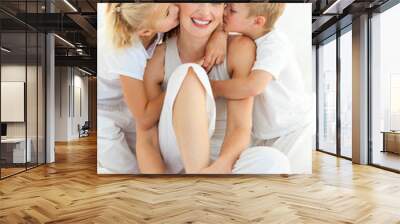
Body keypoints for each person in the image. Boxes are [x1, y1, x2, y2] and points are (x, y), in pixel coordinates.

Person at [144, 3, 291, 174]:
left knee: (274, 161)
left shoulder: (240, 48)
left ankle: (205, 185)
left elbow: (239, 126)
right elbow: (148, 135)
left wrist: (223, 165)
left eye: (215, 2)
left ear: (224, 7)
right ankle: (199, 182)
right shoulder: (158, 58)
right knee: (189, 73)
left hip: (223, 159)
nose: (205, 12)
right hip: (178, 157)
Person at [97, 3, 227, 174]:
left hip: (130, 99)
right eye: (167, 12)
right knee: (125, 169)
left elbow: (209, 19)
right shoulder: (126, 52)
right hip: (105, 111)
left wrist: (220, 33)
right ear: (145, 32)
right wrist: (178, 83)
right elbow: (144, 117)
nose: (176, 9)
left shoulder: (151, 17)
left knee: (143, 154)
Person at [212, 3, 314, 173]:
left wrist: (211, 87)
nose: (225, 12)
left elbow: (253, 86)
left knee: (288, 180)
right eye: (227, 6)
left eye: (232, 10)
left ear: (257, 21)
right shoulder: (251, 37)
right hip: (265, 131)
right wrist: (220, 34)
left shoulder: (275, 44)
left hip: (291, 129)